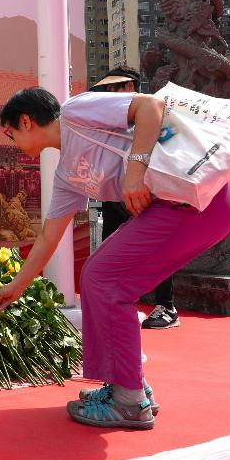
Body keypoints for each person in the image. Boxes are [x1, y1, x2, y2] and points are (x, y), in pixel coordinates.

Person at [0, 86, 230, 429]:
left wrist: (134, 172)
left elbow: (150, 107)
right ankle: (128, 387)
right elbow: (50, 236)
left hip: (200, 197)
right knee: (104, 279)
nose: (13, 144)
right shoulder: (67, 174)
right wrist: (17, 285)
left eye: (10, 135)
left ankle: (128, 400)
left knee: (102, 278)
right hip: (183, 209)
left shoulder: (76, 112)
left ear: (25, 122)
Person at [90, 67, 179, 330]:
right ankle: (112, 302)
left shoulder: (152, 114)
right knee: (110, 249)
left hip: (142, 194)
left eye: (113, 88)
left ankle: (168, 306)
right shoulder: (111, 119)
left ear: (130, 88)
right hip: (113, 196)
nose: (108, 94)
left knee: (155, 251)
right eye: (106, 89)